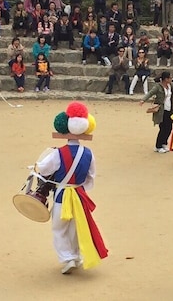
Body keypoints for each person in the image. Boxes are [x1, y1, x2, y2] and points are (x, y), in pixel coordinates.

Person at [35, 102, 107, 274]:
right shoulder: (89, 153)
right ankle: (77, 256)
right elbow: (91, 177)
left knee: (59, 228)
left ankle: (67, 258)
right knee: (76, 227)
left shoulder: (57, 153)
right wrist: (81, 187)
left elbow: (43, 169)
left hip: (61, 194)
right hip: (79, 194)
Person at [142, 71, 173, 153]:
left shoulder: (171, 86)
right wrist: (143, 100)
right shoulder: (158, 87)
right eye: (170, 78)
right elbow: (150, 93)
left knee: (169, 128)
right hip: (161, 110)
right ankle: (158, 146)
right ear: (166, 79)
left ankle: (164, 143)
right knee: (163, 128)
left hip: (170, 109)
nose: (171, 79)